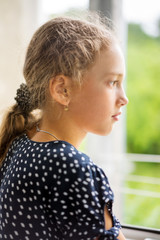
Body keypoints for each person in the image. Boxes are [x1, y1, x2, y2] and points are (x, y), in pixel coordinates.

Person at [0, 15, 128, 240]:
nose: (124, 98)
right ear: (62, 90)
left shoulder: (19, 145)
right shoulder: (70, 167)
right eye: (112, 82)